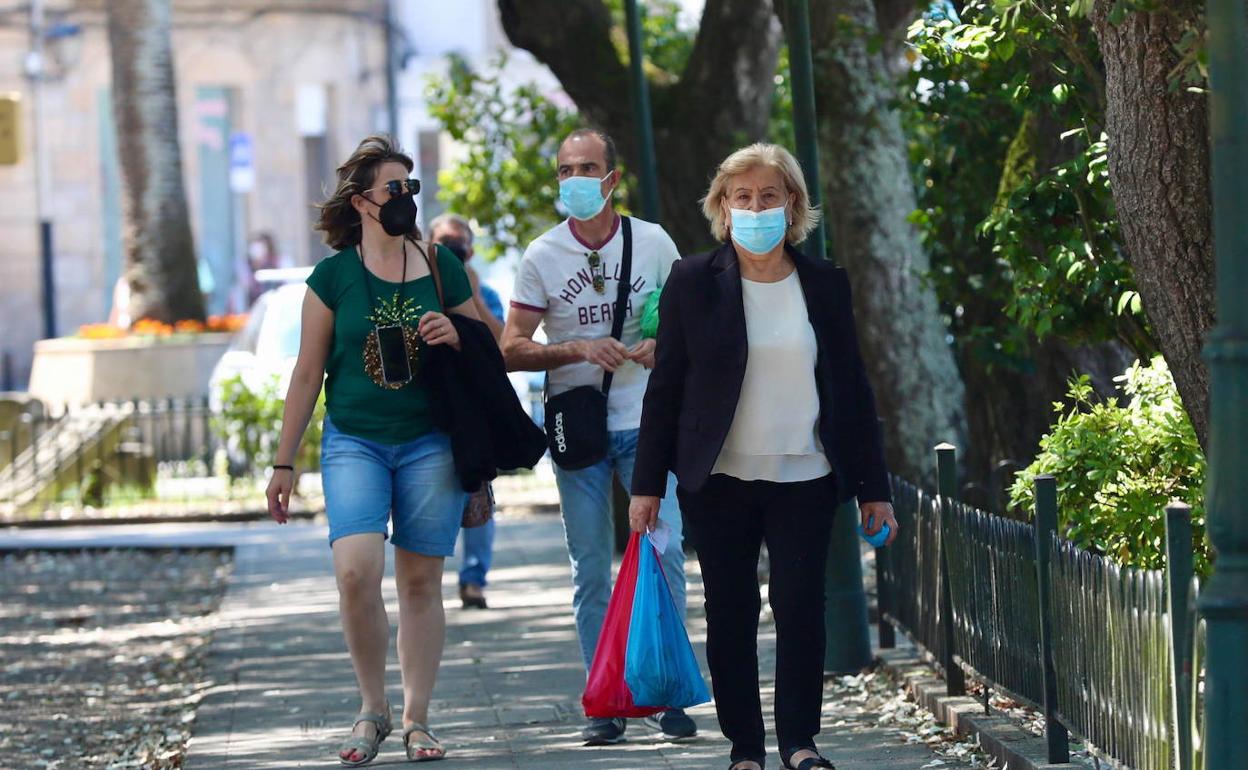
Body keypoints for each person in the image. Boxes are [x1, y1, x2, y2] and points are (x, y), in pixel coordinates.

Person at [628, 143, 900, 770]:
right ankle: (745, 749)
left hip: (805, 475)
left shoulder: (825, 284)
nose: (755, 207)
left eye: (769, 196)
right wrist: (645, 486)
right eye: (741, 197)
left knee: (802, 609)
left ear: (793, 205)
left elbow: (853, 390)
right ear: (723, 208)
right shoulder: (694, 281)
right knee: (731, 614)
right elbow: (664, 389)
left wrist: (872, 487)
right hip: (718, 479)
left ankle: (800, 744)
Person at [265, 135, 481, 766]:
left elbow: (487, 344)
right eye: (394, 188)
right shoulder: (331, 277)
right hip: (355, 440)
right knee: (356, 571)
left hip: (429, 443)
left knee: (420, 581)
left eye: (411, 188)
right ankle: (372, 707)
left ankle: (416, 719)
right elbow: (307, 373)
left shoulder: (441, 264)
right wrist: (284, 462)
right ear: (362, 202)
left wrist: (456, 332)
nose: (406, 198)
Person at [501, 127, 698, 745]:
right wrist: (575, 348)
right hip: (580, 430)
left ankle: (666, 692)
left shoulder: (653, 243)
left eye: (587, 168)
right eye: (565, 170)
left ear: (612, 179)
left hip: (648, 424)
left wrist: (661, 348)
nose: (575, 180)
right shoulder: (542, 256)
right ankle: (603, 701)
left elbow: (697, 324)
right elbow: (510, 348)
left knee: (662, 554)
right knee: (590, 567)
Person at [430, 212, 502, 610]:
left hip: (474, 413)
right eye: (443, 246)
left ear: (471, 251)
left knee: (477, 497)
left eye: (458, 247)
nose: (451, 255)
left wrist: (470, 295)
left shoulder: (483, 292)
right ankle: (428, 579)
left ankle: (473, 580)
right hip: (432, 414)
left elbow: (501, 347)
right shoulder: (416, 288)